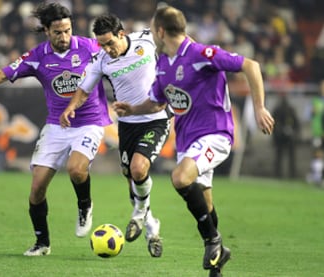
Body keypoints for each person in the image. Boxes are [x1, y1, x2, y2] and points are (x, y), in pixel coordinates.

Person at [112, 6, 275, 277]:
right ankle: (217, 264)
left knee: (180, 178)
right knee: (206, 204)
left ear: (161, 31)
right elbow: (155, 103)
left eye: (153, 30)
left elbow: (250, 65)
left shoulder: (202, 54)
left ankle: (213, 242)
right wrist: (132, 109)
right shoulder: (163, 63)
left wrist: (259, 107)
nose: (152, 35)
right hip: (187, 141)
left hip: (215, 134)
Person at [0, 2, 111, 256]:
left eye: (67, 30)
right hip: (56, 125)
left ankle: (84, 205)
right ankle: (42, 243)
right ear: (46, 31)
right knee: (36, 189)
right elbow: (4, 73)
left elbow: (116, 57)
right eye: (58, 32)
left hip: (90, 122)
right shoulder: (38, 55)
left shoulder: (89, 47)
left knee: (76, 169)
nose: (64, 36)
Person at [60, 13, 171, 258]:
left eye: (110, 43)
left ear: (122, 34)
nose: (107, 49)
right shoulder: (101, 60)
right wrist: (70, 108)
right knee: (131, 179)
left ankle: (139, 214)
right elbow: (83, 89)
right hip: (127, 125)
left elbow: (178, 42)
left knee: (139, 169)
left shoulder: (146, 39)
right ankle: (152, 227)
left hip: (156, 119)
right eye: (101, 44)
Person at [272, 94, 300, 178]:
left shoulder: (290, 110)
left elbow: (296, 123)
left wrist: (293, 133)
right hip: (280, 136)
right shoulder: (279, 110)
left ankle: (291, 174)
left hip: (288, 137)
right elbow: (273, 123)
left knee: (287, 156)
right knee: (280, 156)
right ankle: (279, 174)